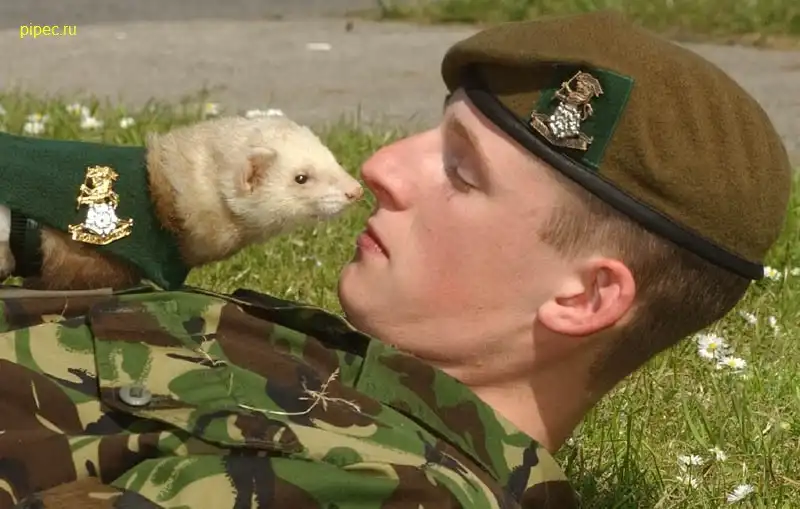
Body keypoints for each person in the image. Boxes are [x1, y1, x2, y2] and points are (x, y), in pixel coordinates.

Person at [0, 10, 792, 509]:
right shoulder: (346, 374)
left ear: (584, 297)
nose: (379, 167)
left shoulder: (386, 486)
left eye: (461, 171)